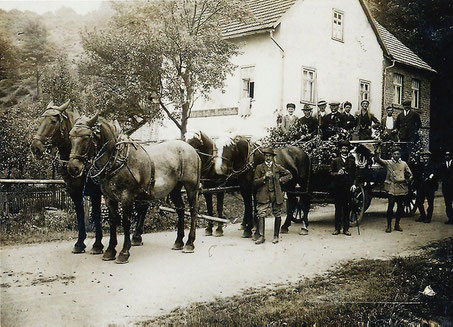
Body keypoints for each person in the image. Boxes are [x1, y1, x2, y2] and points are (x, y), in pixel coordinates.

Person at [253, 148, 292, 244]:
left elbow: (289, 175)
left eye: (270, 156)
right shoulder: (259, 168)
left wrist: (281, 180)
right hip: (263, 194)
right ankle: (262, 236)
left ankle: (276, 236)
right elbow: (254, 183)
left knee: (277, 213)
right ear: (264, 157)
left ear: (273, 157)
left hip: (275, 194)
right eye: (266, 156)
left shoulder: (277, 167)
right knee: (261, 213)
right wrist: (264, 177)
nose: (268, 158)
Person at [375, 146, 413, 233]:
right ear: (392, 154)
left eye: (398, 154)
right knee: (390, 206)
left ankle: (397, 225)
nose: (396, 155)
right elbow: (377, 159)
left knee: (400, 207)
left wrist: (407, 179)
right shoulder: (388, 163)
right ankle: (389, 225)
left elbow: (410, 174)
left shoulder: (403, 164)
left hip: (401, 188)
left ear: (400, 155)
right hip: (392, 187)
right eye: (394, 154)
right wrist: (378, 149)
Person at [330, 140, 357, 236]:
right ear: (340, 150)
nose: (344, 150)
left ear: (348, 150)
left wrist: (354, 184)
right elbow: (330, 173)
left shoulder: (351, 162)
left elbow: (355, 175)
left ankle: (346, 229)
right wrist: (338, 173)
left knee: (347, 209)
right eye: (343, 148)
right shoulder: (335, 161)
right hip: (338, 188)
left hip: (348, 189)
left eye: (346, 148)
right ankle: (337, 229)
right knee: (338, 209)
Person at [414, 151, 437, 223]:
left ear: (429, 157)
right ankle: (422, 216)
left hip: (430, 186)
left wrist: (431, 177)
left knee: (430, 202)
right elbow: (416, 173)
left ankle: (428, 217)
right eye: (424, 156)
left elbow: (435, 174)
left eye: (427, 156)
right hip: (421, 186)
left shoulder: (433, 165)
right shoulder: (420, 165)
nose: (425, 158)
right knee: (419, 201)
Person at [440, 151, 453, 224]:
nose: (447, 156)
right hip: (446, 187)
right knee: (447, 203)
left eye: (448, 155)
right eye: (446, 155)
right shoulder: (443, 164)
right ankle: (450, 218)